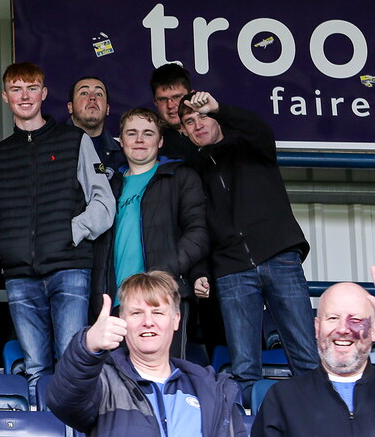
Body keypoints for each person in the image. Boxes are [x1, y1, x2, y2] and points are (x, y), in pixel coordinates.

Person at [179, 90, 317, 407]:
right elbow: (195, 227)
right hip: (231, 271)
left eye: (204, 116)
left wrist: (220, 107)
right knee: (244, 372)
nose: (198, 124)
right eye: (189, 121)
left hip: (279, 256)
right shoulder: (192, 171)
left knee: (306, 358)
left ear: (216, 116)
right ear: (183, 131)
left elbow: (261, 128)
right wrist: (199, 271)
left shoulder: (251, 145)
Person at [0, 62, 115, 399]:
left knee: (72, 360)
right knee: (35, 369)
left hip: (69, 267)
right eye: (16, 89)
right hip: (18, 275)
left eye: (32, 89)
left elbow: (104, 202)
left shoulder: (75, 140)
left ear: (44, 94)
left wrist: (72, 232)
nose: (24, 96)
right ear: (5, 96)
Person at [47, 271, 245, 437]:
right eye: (136, 313)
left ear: (176, 320)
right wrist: (88, 345)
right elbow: (63, 401)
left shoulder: (210, 388)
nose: (148, 321)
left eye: (158, 312)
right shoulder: (102, 383)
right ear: (122, 319)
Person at [92, 108, 208, 358]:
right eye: (131, 134)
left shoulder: (180, 176)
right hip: (118, 303)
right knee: (121, 384)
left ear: (161, 141)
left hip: (162, 298)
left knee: (166, 377)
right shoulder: (109, 186)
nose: (140, 140)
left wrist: (162, 273)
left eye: (148, 133)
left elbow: (198, 233)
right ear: (121, 142)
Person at [253, 276, 375, 436]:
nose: (343, 329)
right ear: (317, 328)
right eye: (333, 318)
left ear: (373, 330)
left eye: (356, 319)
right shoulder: (283, 398)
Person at [66, 76, 125, 173]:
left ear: (107, 109)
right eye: (84, 93)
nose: (92, 98)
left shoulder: (122, 154)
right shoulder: (52, 147)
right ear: (70, 107)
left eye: (99, 94)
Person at [150, 63, 196, 161]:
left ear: (192, 95)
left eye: (176, 97)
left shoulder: (211, 132)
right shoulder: (149, 142)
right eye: (162, 99)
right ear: (155, 102)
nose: (170, 105)